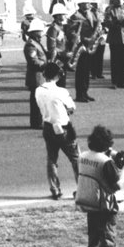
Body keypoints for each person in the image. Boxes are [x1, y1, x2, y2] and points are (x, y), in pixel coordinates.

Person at [75, 125, 124, 247]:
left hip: (89, 202)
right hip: (105, 206)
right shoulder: (106, 162)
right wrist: (123, 167)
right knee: (107, 242)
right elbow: (117, 184)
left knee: (94, 241)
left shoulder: (83, 156)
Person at [36, 62, 79, 200]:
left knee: (52, 159)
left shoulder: (38, 90)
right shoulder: (61, 91)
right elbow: (72, 107)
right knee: (75, 158)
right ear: (57, 76)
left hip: (48, 126)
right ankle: (81, 187)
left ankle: (55, 189)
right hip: (63, 127)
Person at [69, 0, 98, 103]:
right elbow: (72, 32)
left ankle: (85, 92)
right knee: (80, 71)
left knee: (87, 71)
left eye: (88, 2)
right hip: (80, 47)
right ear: (80, 4)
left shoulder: (91, 14)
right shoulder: (75, 16)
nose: (88, 4)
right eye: (85, 3)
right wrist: (82, 39)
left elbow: (95, 25)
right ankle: (79, 94)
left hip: (89, 46)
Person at [102, 0, 124, 89]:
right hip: (114, 37)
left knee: (122, 61)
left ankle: (121, 81)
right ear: (114, 0)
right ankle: (114, 82)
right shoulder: (109, 9)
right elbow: (108, 23)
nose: (119, 2)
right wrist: (118, 21)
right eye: (117, 0)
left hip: (123, 37)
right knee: (115, 61)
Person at [23, 18, 49, 129]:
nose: (42, 34)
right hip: (36, 77)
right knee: (36, 102)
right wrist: (45, 65)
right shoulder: (31, 45)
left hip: (40, 76)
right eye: (40, 32)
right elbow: (33, 61)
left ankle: (38, 121)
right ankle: (36, 122)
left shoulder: (36, 43)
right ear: (35, 32)